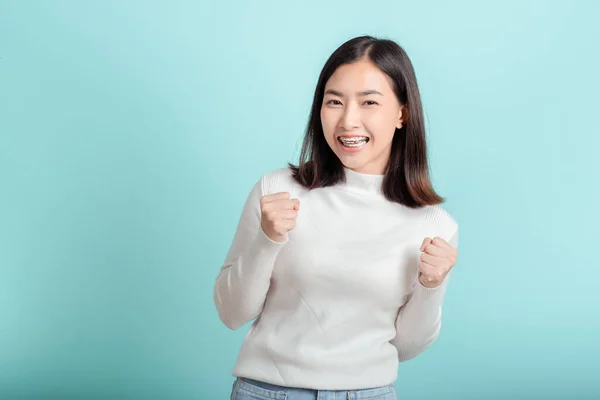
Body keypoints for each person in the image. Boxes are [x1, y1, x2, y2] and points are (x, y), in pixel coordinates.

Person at [214, 35, 459, 400]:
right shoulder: (277, 190)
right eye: (334, 102)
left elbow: (405, 347)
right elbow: (232, 313)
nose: (348, 121)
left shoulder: (435, 225)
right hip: (266, 392)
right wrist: (267, 241)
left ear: (401, 114)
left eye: (369, 102)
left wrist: (432, 286)